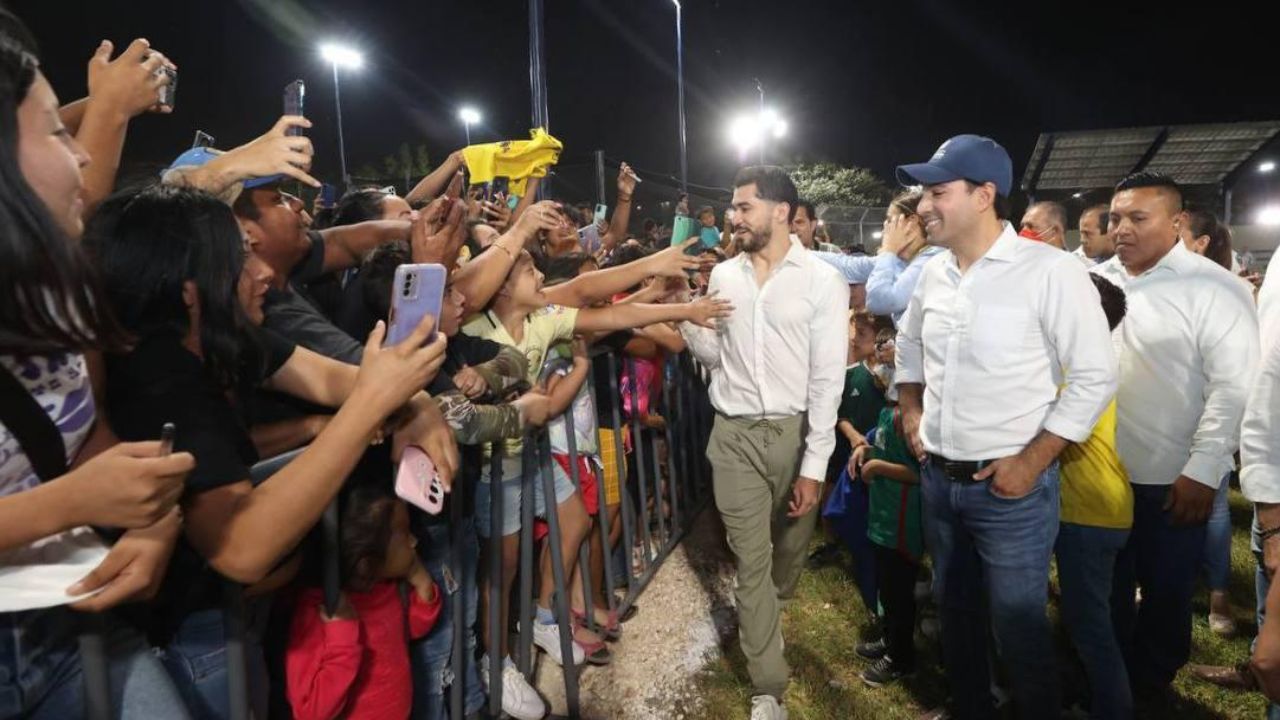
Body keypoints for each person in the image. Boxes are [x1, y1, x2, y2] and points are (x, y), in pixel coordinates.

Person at [87, 183, 456, 719]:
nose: (263, 274)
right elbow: (241, 546)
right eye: (239, 261)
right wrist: (370, 408)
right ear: (190, 287)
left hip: (240, 626)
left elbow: (337, 380)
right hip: (193, 642)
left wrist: (415, 402)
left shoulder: (228, 334)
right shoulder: (162, 376)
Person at [0, 21, 194, 717]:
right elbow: (78, 488)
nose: (82, 156)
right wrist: (74, 504)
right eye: (58, 130)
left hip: (65, 620)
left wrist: (151, 518)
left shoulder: (40, 298)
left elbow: (80, 440)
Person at [894, 134, 1116, 719]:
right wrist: (911, 409)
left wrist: (1032, 461)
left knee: (1018, 631)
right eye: (923, 192)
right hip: (940, 485)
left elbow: (1095, 376)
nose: (922, 205)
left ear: (985, 194)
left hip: (1011, 493)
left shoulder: (1049, 272)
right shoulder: (935, 274)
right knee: (955, 617)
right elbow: (909, 350)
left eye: (937, 191)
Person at [679, 165, 849, 720]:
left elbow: (828, 379)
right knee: (750, 562)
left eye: (743, 207)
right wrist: (688, 318)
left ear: (780, 211)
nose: (732, 217)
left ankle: (767, 612)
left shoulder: (822, 280)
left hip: (795, 436)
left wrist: (814, 466)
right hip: (732, 437)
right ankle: (768, 688)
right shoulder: (724, 276)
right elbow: (716, 356)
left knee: (788, 555)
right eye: (731, 208)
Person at [1091, 171, 1259, 708]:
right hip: (1096, 470)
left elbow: (1233, 385)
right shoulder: (1093, 280)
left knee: (1165, 590)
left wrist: (1204, 468)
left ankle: (1152, 682)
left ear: (1177, 222)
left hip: (1170, 476)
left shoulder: (1214, 288)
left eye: (1138, 218)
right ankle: (1110, 677)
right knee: (1105, 588)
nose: (1121, 228)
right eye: (1115, 218)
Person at [285, 487, 442, 720]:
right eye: (404, 533)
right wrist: (342, 639)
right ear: (366, 563)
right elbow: (309, 712)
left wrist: (421, 581)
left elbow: (410, 630)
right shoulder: (319, 611)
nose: (413, 541)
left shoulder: (385, 588)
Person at [1054, 274, 1133, 720]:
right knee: (1096, 618)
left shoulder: (1076, 371)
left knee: (1090, 627)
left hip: (1089, 514)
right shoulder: (1094, 360)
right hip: (1105, 510)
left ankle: (1111, 708)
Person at [850, 377, 922, 689]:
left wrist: (877, 467)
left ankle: (901, 657)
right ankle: (890, 638)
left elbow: (918, 473)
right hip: (882, 517)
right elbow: (883, 450)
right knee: (888, 587)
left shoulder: (906, 420)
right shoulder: (886, 413)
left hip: (902, 523)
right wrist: (866, 453)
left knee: (900, 590)